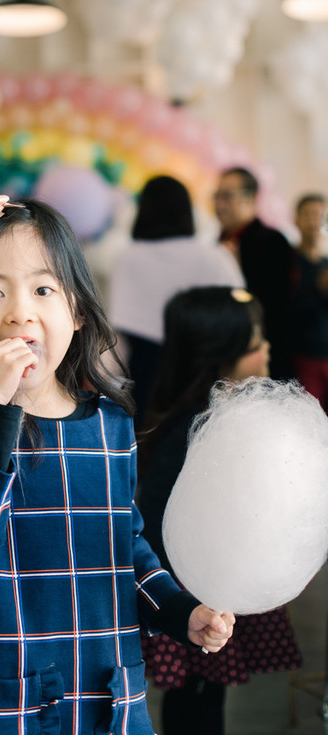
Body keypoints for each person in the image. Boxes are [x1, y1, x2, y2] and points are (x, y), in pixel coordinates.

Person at [0, 194, 235, 735]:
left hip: (104, 691)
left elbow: (125, 546)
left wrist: (182, 612)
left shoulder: (110, 426)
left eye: (43, 289)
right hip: (1, 697)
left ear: (78, 311)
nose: (20, 312)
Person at [138, 286, 302, 735]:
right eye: (254, 343)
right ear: (219, 354)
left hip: (216, 587)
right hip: (193, 595)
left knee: (205, 693)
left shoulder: (230, 418)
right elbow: (151, 521)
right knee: (196, 696)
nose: (267, 348)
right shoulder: (190, 433)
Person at [109, 176, 243, 428]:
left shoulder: (126, 258)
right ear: (187, 210)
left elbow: (115, 331)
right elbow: (241, 312)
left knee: (148, 451)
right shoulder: (214, 257)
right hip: (205, 372)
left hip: (146, 374)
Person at [214, 166, 293, 379]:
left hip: (265, 359)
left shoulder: (273, 242)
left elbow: (277, 307)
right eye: (216, 196)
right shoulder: (217, 244)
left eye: (227, 197)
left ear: (251, 199)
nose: (218, 205)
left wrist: (235, 273)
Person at [290, 193, 328, 411]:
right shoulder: (288, 261)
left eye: (319, 216)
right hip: (303, 358)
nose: (314, 221)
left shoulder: (325, 263)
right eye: (308, 215)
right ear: (296, 219)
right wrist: (318, 288)